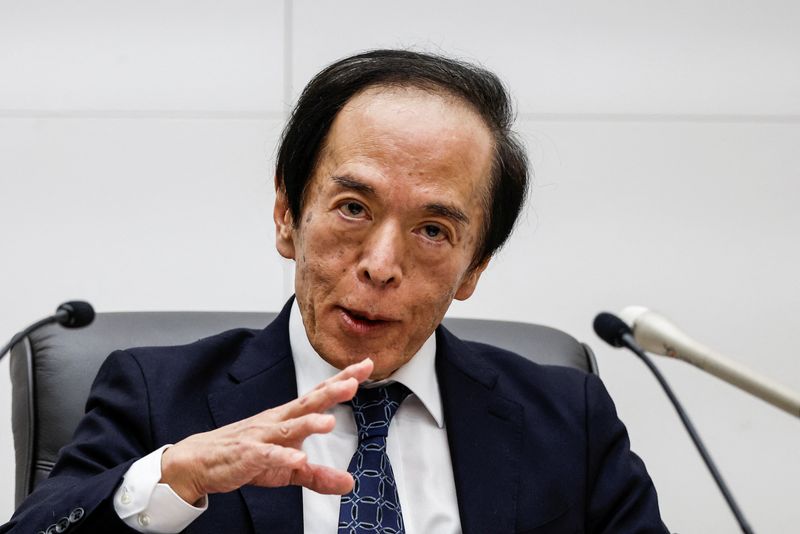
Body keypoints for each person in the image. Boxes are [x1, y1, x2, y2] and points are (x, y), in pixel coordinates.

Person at [2, 50, 668, 533]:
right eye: (353, 208)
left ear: (474, 268)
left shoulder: (565, 418)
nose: (380, 264)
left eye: (433, 230)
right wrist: (172, 478)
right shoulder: (157, 393)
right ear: (288, 216)